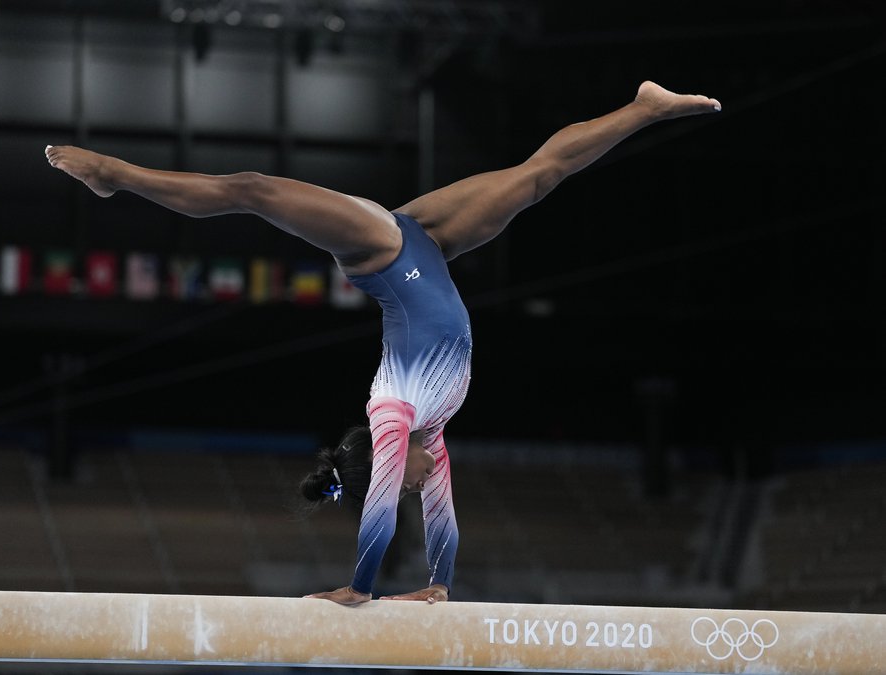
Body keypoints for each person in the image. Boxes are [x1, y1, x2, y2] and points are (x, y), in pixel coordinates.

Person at [45, 80, 721, 606]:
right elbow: (445, 519)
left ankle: (115, 174)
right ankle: (644, 108)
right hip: (424, 244)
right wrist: (439, 584)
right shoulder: (436, 428)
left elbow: (378, 509)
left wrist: (360, 587)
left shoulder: (392, 414)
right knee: (539, 175)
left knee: (251, 189)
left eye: (403, 483)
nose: (419, 487)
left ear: (386, 464)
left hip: (381, 251)